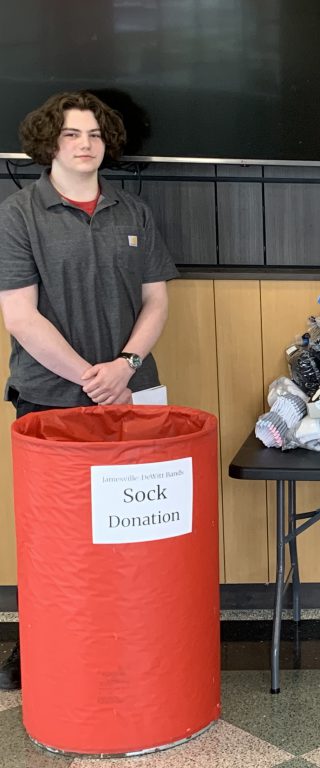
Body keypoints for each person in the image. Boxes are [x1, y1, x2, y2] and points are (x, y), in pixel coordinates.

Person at [0, 91, 178, 690]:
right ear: (50, 142)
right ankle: (42, 648)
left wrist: (125, 366)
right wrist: (89, 376)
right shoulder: (18, 214)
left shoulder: (134, 213)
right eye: (73, 133)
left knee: (134, 531)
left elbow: (157, 300)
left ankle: (130, 643)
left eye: (96, 134)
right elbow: (20, 316)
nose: (85, 144)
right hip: (49, 400)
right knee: (55, 537)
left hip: (133, 396)